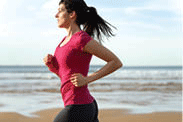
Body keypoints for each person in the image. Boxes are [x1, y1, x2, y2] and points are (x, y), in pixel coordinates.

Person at [43, 0, 123, 122]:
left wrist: (87, 79)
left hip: (79, 106)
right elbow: (65, 76)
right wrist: (52, 66)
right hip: (82, 105)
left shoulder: (81, 39)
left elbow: (115, 62)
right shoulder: (64, 41)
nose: (56, 15)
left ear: (72, 14)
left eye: (60, 11)